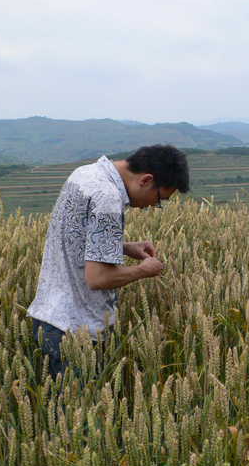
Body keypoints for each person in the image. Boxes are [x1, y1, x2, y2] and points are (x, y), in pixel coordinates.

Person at [27, 144, 190, 378]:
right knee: (77, 412)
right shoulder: (109, 199)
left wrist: (122, 247)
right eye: (159, 199)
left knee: (59, 410)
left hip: (48, 319)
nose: (153, 207)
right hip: (77, 331)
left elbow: (72, 239)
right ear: (145, 180)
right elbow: (98, 278)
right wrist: (143, 270)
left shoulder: (84, 174)